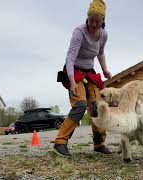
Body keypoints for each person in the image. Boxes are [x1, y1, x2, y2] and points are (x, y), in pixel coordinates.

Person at [53, 0, 112, 157]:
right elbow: (70, 58)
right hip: (74, 71)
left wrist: (105, 70)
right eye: (91, 19)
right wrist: (72, 82)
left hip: (89, 72)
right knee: (80, 105)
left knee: (97, 106)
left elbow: (100, 53)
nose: (93, 24)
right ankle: (60, 142)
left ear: (103, 21)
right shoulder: (79, 32)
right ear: (87, 17)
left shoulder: (103, 35)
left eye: (97, 21)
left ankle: (99, 143)